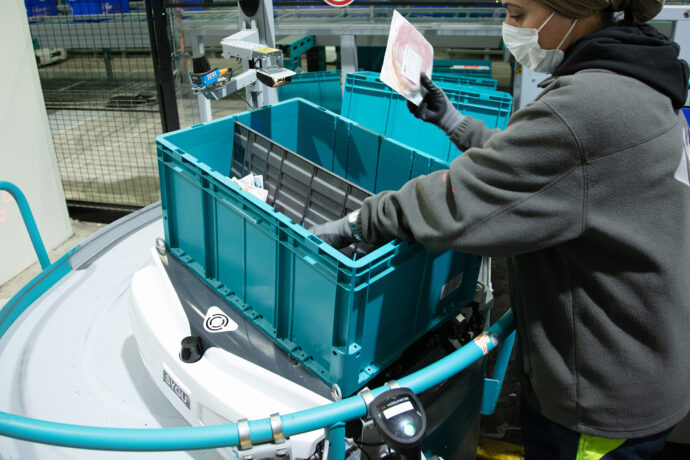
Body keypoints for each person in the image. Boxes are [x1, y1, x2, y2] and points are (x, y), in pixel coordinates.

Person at [310, 0, 690, 458]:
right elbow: (552, 168)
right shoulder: (633, 81)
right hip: (641, 363)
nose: (508, 27)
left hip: (597, 400)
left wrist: (356, 223)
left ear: (574, 11)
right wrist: (454, 123)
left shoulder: (588, 105)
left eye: (518, 14)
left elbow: (457, 199)